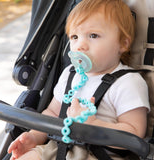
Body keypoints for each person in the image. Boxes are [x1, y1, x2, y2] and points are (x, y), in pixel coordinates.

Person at [8, 0, 150, 159]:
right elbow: (53, 113)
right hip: (56, 147)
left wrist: (94, 126)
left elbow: (135, 133)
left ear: (123, 43)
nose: (80, 45)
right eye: (74, 37)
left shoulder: (128, 82)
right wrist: (34, 137)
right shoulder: (70, 73)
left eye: (93, 35)